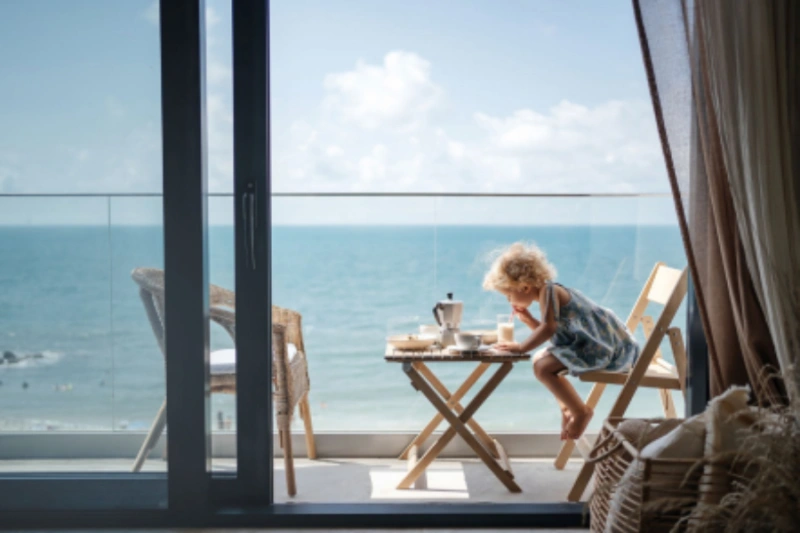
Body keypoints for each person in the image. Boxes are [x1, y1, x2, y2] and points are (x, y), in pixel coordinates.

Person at [483, 242, 639, 440]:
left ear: (524, 286)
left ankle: (581, 412)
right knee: (539, 359)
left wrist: (520, 348)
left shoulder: (549, 291)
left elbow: (549, 328)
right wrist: (530, 321)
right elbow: (557, 332)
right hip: (595, 343)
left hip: (605, 347)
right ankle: (567, 407)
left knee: (543, 367)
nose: (509, 301)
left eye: (508, 294)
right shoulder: (547, 292)